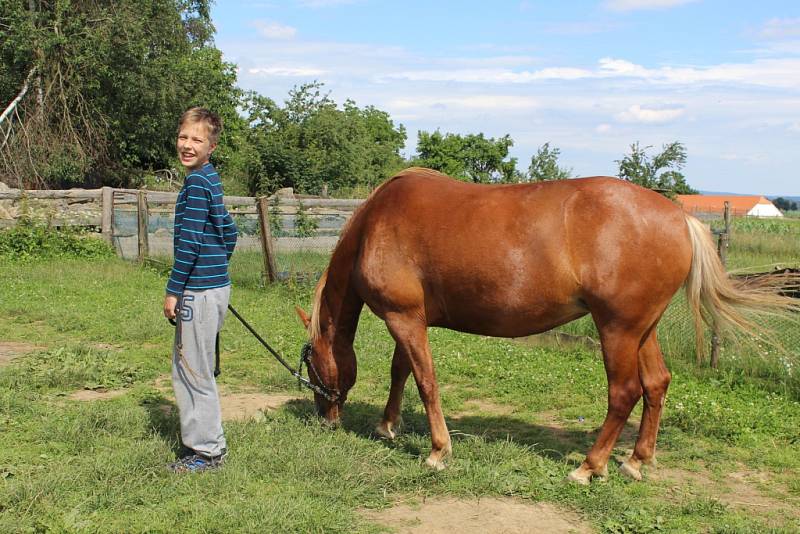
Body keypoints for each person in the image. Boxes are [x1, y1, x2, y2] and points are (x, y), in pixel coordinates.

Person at [163, 107, 238, 473]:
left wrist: (175, 290)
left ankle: (206, 452)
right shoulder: (210, 178)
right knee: (197, 366)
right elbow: (229, 231)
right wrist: (218, 268)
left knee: (192, 371)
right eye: (183, 137)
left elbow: (190, 243)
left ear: (211, 146)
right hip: (214, 289)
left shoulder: (195, 184)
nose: (187, 145)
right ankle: (206, 445)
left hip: (197, 292)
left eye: (197, 139)